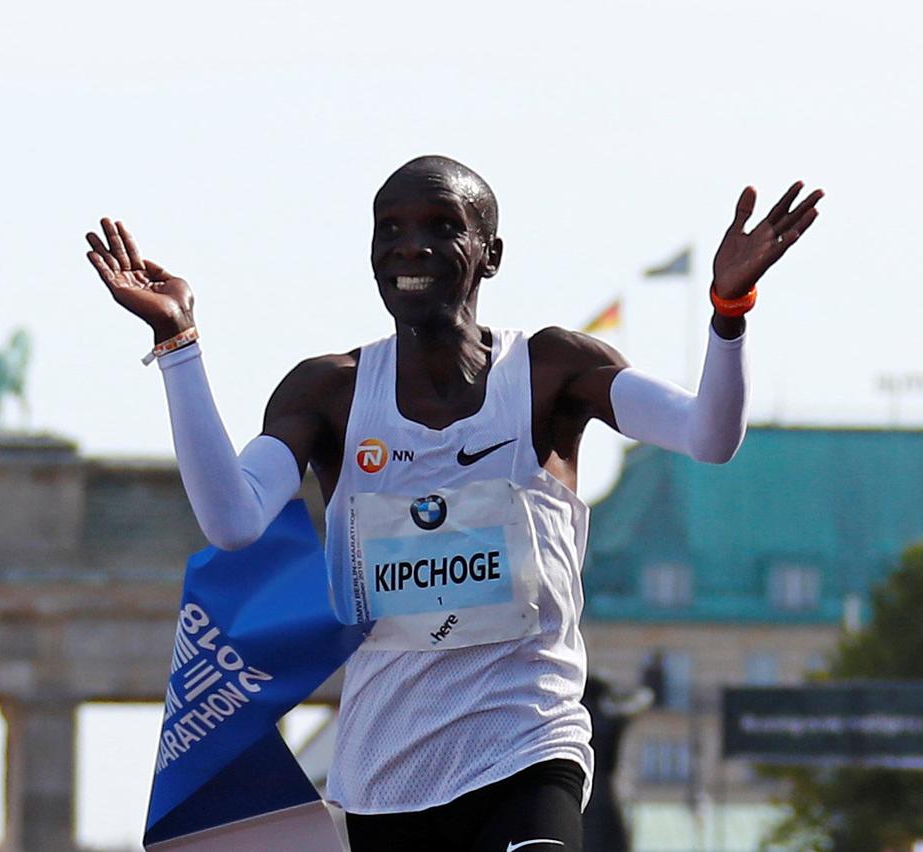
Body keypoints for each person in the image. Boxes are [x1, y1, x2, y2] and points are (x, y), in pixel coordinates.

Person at [85, 156, 821, 852]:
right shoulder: (329, 391)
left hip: (528, 743)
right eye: (391, 230)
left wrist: (729, 312)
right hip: (386, 772)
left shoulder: (552, 369)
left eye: (442, 226)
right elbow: (232, 520)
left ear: (489, 254)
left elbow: (708, 436)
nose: (412, 246)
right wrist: (178, 342)